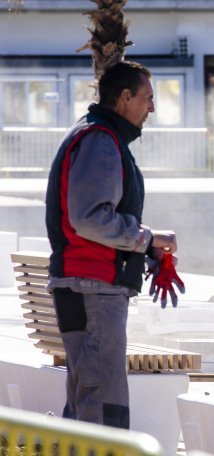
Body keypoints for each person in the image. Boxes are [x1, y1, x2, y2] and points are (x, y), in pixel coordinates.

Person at [45, 61, 178, 430]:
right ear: (125, 97)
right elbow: (89, 219)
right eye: (148, 98)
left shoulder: (94, 135)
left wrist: (145, 247)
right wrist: (146, 238)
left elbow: (91, 220)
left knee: (90, 399)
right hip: (93, 288)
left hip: (84, 284)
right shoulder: (101, 140)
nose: (152, 108)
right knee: (104, 405)